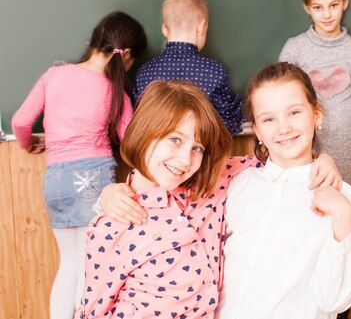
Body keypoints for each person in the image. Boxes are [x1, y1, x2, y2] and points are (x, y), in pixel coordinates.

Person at [11, 11, 147, 319]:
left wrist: (30, 143)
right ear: (125, 57)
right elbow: (132, 141)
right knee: (91, 266)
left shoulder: (54, 75)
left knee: (69, 263)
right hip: (93, 177)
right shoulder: (116, 93)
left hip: (56, 179)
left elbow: (20, 121)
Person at [75, 80, 238, 318]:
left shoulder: (209, 187)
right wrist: (108, 194)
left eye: (197, 148)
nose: (185, 159)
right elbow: (92, 311)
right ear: (145, 131)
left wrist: (316, 161)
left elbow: (272, 160)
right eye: (175, 139)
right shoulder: (111, 225)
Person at [216, 62, 351, 319]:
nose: (283, 128)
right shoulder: (239, 184)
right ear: (257, 130)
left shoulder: (344, 198)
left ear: (316, 115)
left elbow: (336, 301)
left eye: (294, 113)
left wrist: (342, 217)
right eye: (268, 119)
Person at [279, 0, 351, 185]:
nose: (327, 14)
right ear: (306, 8)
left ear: (345, 3)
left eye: (333, 5)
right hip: (310, 149)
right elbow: (281, 97)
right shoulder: (294, 49)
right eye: (318, 7)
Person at [134, 0, 243, 135]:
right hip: (201, 152)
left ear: (165, 30)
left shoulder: (144, 73)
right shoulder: (216, 72)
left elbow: (138, 122)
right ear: (201, 27)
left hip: (154, 153)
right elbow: (229, 125)